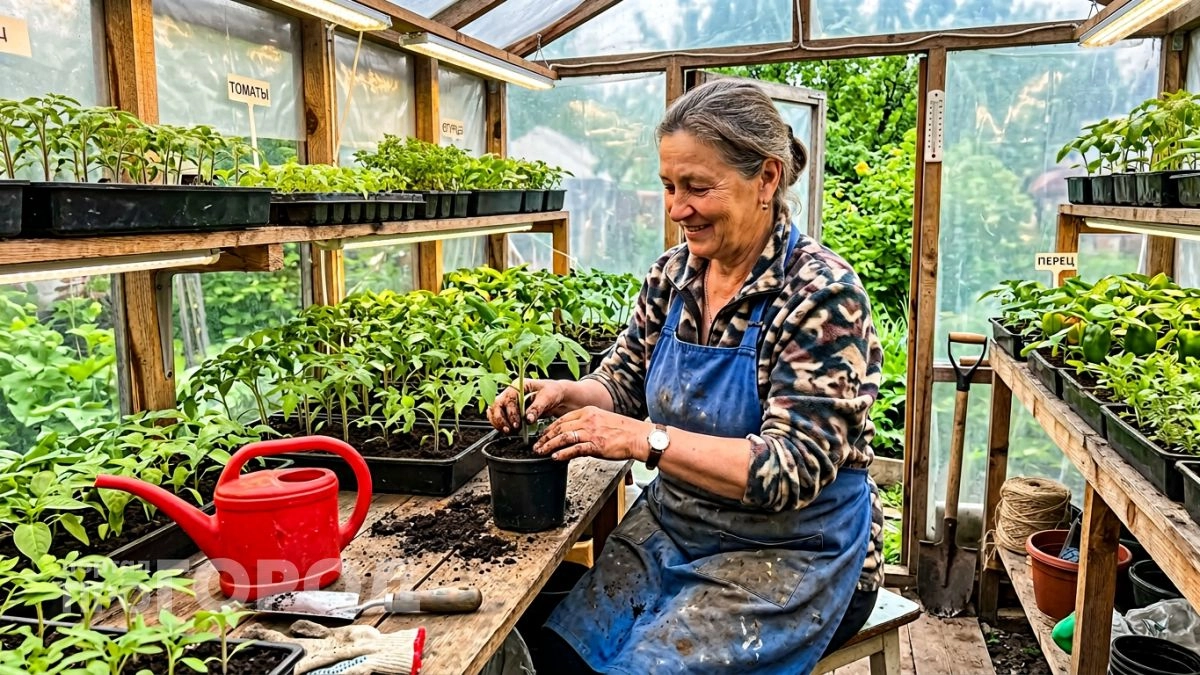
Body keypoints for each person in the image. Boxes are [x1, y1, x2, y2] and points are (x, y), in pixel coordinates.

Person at [488, 78, 885, 675]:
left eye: (698, 187)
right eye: (670, 186)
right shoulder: (673, 275)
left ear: (767, 179)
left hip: (795, 553)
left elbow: (790, 471)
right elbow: (622, 379)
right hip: (678, 530)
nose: (677, 208)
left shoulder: (820, 296)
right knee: (556, 652)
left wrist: (645, 438)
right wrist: (569, 394)